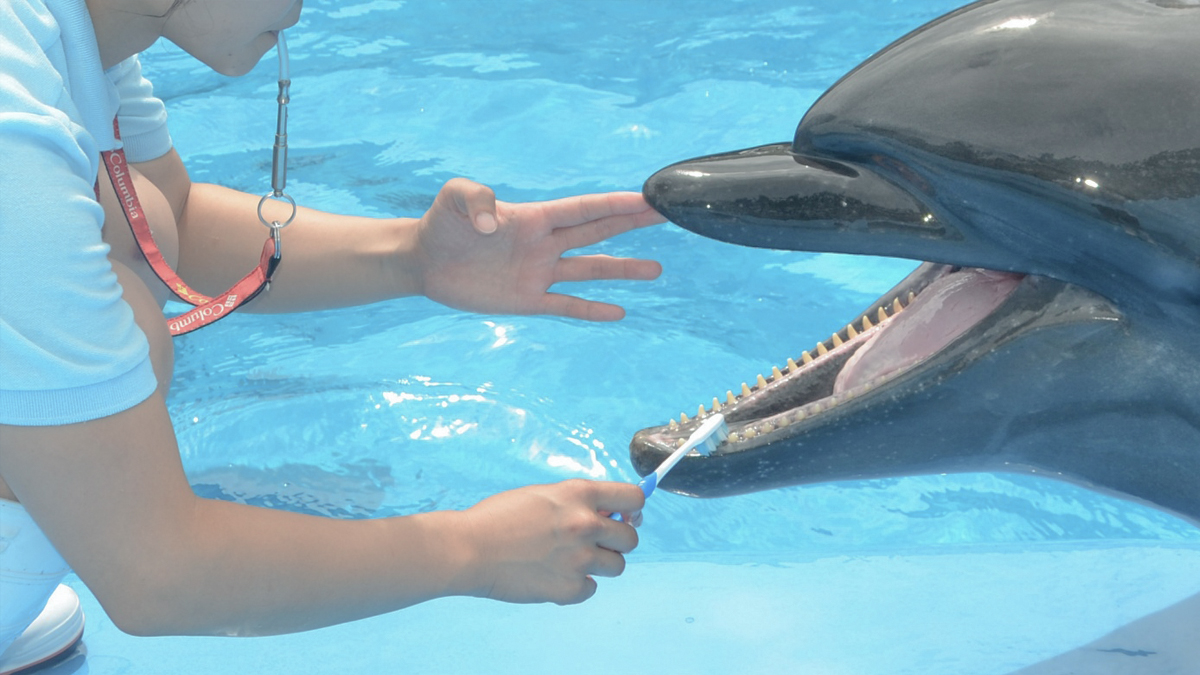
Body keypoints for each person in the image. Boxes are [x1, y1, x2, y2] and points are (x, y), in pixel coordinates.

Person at [0, 0, 662, 670]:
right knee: (132, 325)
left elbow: (172, 220)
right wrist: (478, 549)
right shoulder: (11, 140)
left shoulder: (81, 29)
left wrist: (413, 257)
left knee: (117, 234)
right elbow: (159, 572)